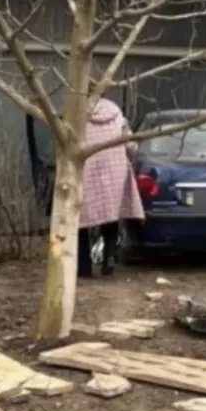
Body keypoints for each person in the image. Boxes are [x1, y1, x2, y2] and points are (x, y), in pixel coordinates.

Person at [78, 96, 144, 278]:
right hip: (115, 168)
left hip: (86, 169)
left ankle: (83, 267)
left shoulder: (77, 112)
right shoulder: (115, 111)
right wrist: (129, 158)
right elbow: (130, 143)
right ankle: (109, 257)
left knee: (80, 220)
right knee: (111, 214)